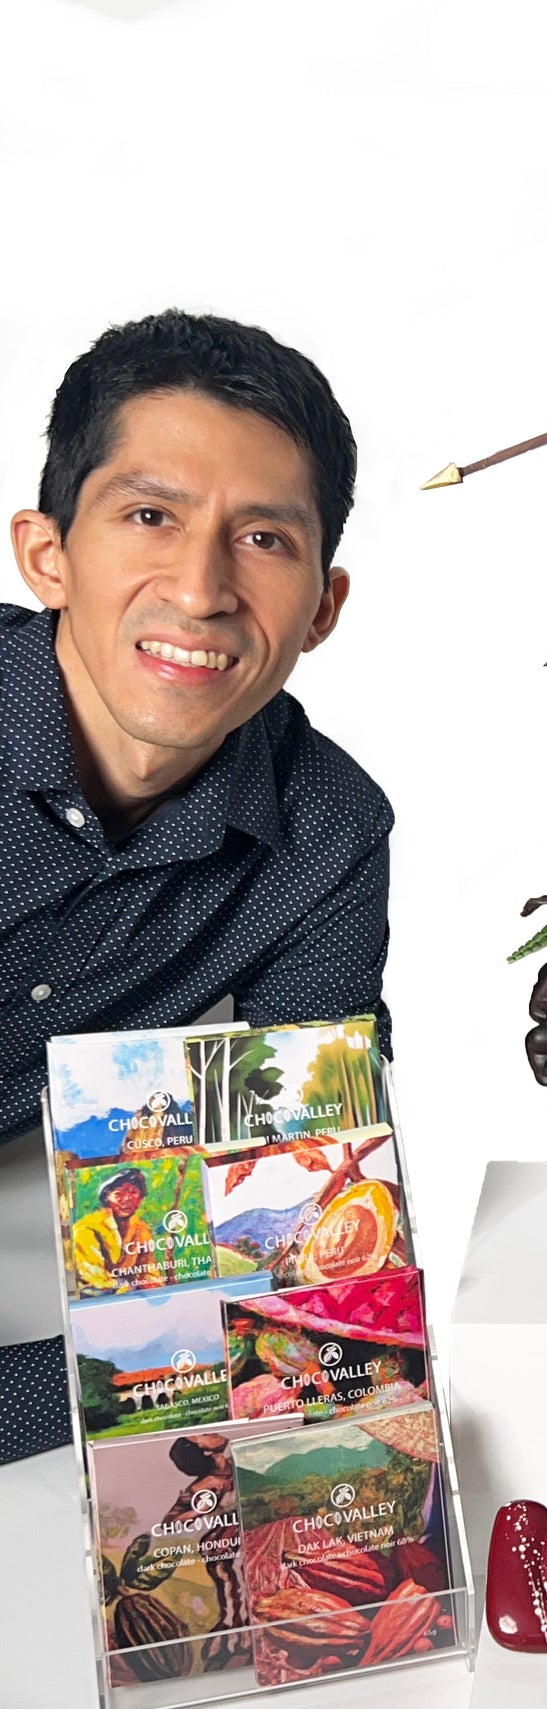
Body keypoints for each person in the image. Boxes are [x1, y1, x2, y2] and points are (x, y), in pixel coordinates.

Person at [0, 309, 393, 1462]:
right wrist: (166, 1374)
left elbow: (306, 1238)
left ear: (322, 606)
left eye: (263, 538)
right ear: (47, 554)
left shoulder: (328, 832)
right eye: (150, 516)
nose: (201, 586)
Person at [70, 1166, 161, 1293]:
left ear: (140, 1200)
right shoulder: (86, 1228)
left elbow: (150, 1272)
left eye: (133, 1192)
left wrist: (157, 1290)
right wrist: (125, 1287)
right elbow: (94, 1277)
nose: (127, 1199)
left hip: (128, 1291)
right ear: (107, 1198)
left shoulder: (141, 1229)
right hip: (94, 1293)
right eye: (119, 1194)